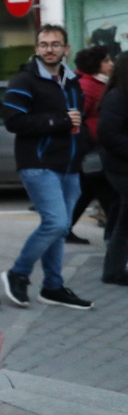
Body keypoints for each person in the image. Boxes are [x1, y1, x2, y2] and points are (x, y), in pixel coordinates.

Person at [1, 25, 93, 310]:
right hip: (38, 164)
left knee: (59, 229)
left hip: (69, 165)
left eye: (55, 44)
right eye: (43, 44)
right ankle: (18, 272)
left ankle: (52, 286)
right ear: (36, 48)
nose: (49, 49)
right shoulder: (25, 80)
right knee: (56, 222)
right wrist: (59, 121)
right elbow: (13, 121)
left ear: (66, 48)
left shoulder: (72, 80)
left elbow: (79, 120)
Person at [67, 44, 117, 244]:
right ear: (95, 64)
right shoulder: (87, 86)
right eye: (106, 60)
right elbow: (79, 117)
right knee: (110, 196)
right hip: (92, 149)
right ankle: (114, 238)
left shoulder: (98, 83)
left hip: (94, 149)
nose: (111, 64)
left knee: (87, 192)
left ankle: (64, 229)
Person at [96, 52, 128, 285]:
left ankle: (114, 269)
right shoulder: (117, 97)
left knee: (123, 218)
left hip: (121, 166)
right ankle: (113, 270)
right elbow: (109, 135)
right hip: (120, 168)